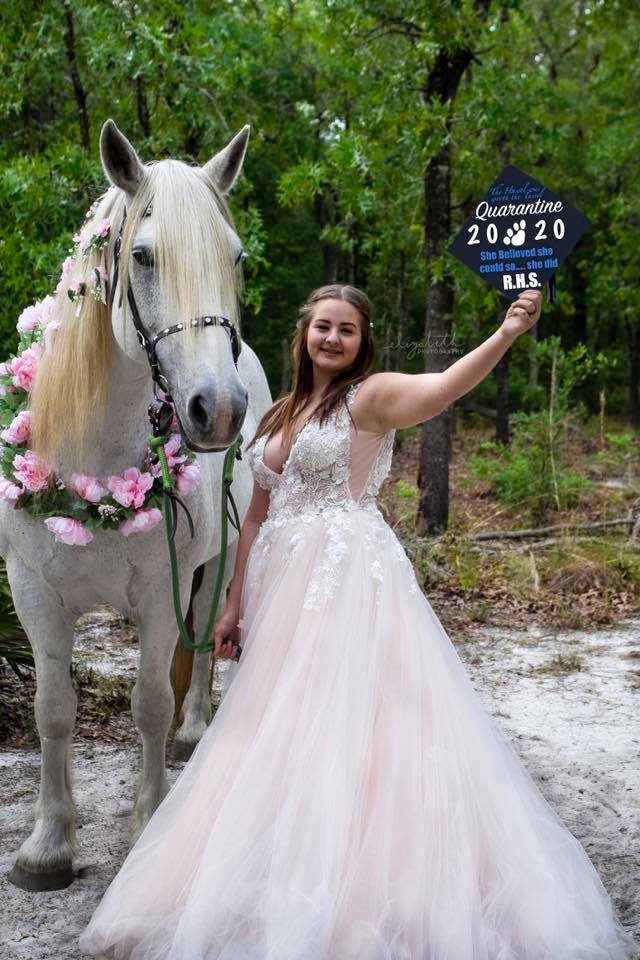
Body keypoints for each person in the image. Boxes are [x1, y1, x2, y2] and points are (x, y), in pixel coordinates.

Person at [79, 284, 636, 959]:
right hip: (279, 584)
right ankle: (276, 864)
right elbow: (255, 515)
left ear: (361, 340)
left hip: (343, 580)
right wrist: (233, 603)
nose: (332, 339)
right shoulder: (283, 409)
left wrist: (507, 333)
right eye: (322, 327)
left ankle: (361, 884)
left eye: (345, 330)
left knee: (348, 724)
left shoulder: (368, 401)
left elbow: (444, 388)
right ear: (304, 333)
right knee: (273, 725)